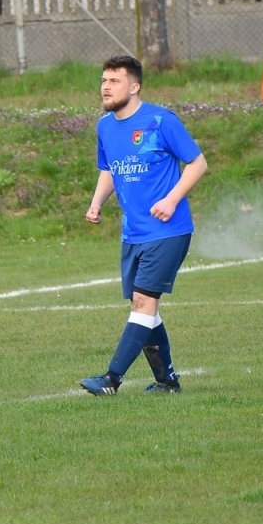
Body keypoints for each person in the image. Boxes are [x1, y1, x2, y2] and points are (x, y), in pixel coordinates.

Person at [81, 55, 207, 395]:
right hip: (133, 233)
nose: (106, 87)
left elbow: (198, 162)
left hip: (168, 230)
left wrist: (171, 199)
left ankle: (111, 380)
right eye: (104, 80)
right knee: (144, 308)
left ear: (134, 86)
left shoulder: (160, 121)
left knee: (143, 302)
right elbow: (109, 169)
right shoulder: (105, 126)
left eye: (115, 81)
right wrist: (96, 203)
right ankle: (167, 382)